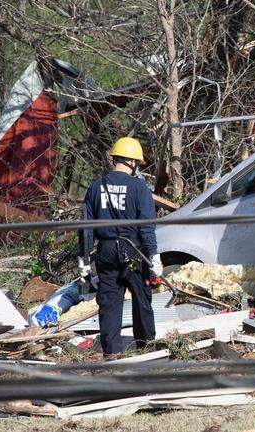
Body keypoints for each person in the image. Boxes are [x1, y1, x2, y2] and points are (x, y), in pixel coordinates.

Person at [79, 136, 158, 355]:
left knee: (109, 305)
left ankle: (111, 356)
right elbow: (146, 228)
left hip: (105, 252)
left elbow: (85, 228)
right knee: (142, 301)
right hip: (134, 251)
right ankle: (147, 350)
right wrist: (153, 256)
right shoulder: (139, 188)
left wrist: (84, 259)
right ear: (132, 162)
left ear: (116, 158)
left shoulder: (96, 187)